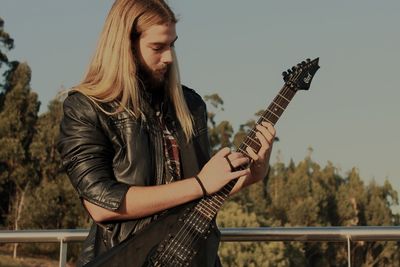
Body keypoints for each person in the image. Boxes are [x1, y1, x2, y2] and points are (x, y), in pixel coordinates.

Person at [57, 0, 276, 266]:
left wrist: (254, 173)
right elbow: (102, 204)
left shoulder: (190, 105)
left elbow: (203, 195)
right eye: (158, 47)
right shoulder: (85, 107)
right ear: (125, 46)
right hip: (125, 259)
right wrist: (200, 184)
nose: (169, 56)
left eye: (172, 44)